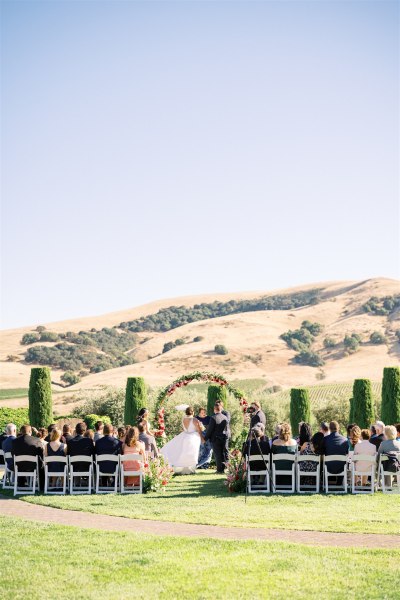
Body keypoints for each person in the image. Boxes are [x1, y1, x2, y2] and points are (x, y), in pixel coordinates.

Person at [161, 407, 203, 474]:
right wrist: (202, 438)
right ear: (193, 412)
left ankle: (185, 469)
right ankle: (190, 470)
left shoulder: (183, 419)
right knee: (192, 453)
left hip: (185, 436)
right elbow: (199, 430)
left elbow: (184, 429)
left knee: (185, 453)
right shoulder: (194, 419)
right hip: (193, 438)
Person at [11, 425, 44, 489]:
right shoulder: (36, 440)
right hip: (33, 466)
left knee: (19, 463)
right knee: (41, 466)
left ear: (21, 432)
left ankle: (21, 484)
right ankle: (41, 486)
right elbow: (41, 453)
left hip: (19, 466)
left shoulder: (14, 441)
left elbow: (13, 453)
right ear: (30, 431)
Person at [204, 403, 230, 474]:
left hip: (215, 439)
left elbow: (210, 430)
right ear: (220, 409)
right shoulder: (225, 417)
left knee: (217, 454)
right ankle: (223, 468)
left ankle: (219, 469)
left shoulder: (213, 417)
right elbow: (226, 429)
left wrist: (205, 438)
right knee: (223, 453)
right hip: (224, 438)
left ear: (215, 409)